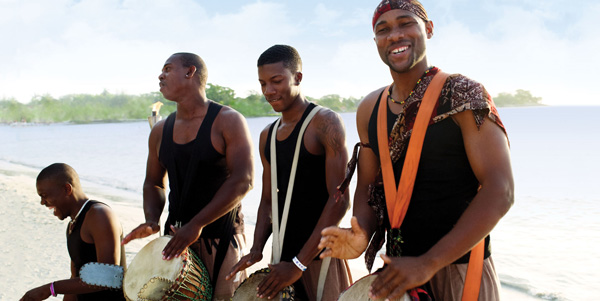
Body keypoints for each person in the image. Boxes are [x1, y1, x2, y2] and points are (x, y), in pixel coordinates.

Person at [319, 1, 514, 300]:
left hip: (460, 271)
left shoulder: (461, 93)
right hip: (398, 272)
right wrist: (361, 232)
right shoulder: (370, 108)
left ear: (429, 29)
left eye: (405, 23)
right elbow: (369, 186)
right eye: (383, 29)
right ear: (376, 42)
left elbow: (500, 190)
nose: (394, 35)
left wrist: (428, 263)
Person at [122, 52, 254, 300]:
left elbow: (243, 180)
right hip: (175, 240)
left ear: (190, 71)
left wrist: (196, 225)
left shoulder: (228, 120)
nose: (160, 75)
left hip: (221, 239)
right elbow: (153, 182)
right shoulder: (160, 130)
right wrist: (151, 219)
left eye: (168, 69)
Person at [226, 44, 351, 300]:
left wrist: (299, 264)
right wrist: (257, 248)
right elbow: (268, 200)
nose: (269, 91)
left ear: (298, 77)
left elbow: (339, 200)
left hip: (318, 260)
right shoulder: (267, 135)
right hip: (281, 261)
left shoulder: (325, 122)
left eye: (276, 81)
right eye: (262, 84)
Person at [21, 163, 126, 301]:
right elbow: (75, 278)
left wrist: (50, 288)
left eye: (44, 196)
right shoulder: (73, 224)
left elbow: (109, 276)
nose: (42, 202)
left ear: (67, 189)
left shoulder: (99, 215)